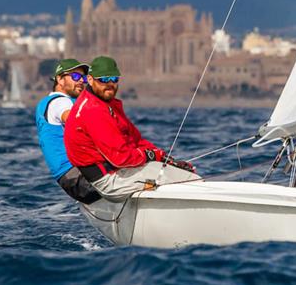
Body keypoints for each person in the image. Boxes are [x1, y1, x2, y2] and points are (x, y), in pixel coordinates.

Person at [64, 55, 198, 201]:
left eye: (114, 79)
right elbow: (120, 158)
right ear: (90, 79)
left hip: (121, 172)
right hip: (109, 182)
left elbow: (136, 140)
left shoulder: (107, 104)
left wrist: (166, 158)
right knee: (189, 181)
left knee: (178, 171)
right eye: (103, 79)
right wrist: (150, 155)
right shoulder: (93, 110)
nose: (110, 84)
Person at [35, 59, 101, 204]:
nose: (81, 82)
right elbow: (74, 121)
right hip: (78, 178)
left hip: (69, 179)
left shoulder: (46, 102)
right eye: (75, 77)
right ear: (59, 79)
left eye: (83, 78)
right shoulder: (61, 102)